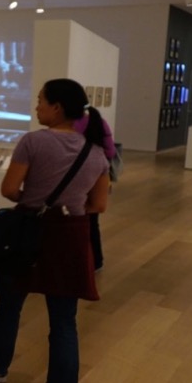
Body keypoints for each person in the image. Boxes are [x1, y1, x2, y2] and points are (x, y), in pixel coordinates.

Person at [0, 78, 110, 383]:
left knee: (10, 303)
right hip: (71, 236)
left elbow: (9, 188)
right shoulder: (96, 153)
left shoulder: (33, 141)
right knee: (64, 320)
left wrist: (33, 202)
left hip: (29, 231)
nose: (36, 106)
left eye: (41, 100)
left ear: (57, 107)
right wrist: (68, 207)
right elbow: (98, 205)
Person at [73, 108, 116, 271]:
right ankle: (96, 261)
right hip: (97, 176)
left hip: (77, 177)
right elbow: (110, 151)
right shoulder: (99, 121)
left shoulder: (71, 124)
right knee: (92, 220)